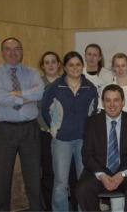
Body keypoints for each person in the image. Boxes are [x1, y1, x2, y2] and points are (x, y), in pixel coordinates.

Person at [0, 37, 44, 211]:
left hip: (30, 129)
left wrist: (14, 93)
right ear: (2, 52)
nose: (13, 53)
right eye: (8, 49)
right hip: (3, 129)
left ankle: (37, 209)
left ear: (22, 51)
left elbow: (40, 93)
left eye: (17, 49)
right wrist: (26, 97)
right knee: (1, 176)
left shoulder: (32, 72)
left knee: (34, 176)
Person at [42, 51, 98, 211]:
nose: (75, 68)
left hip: (83, 141)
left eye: (78, 64)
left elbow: (93, 113)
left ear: (83, 66)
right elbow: (46, 111)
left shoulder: (90, 87)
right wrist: (56, 129)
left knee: (83, 181)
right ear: (65, 67)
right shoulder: (54, 87)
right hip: (61, 141)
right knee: (60, 182)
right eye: (71, 65)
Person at [76, 84, 127, 211]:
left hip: (126, 171)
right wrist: (102, 175)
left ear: (123, 102)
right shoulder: (91, 123)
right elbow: (87, 154)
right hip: (100, 170)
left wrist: (121, 174)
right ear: (102, 103)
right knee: (82, 189)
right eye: (108, 100)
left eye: (116, 100)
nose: (112, 105)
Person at [37, 51, 62, 211]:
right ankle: (48, 207)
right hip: (44, 133)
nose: (51, 65)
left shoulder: (66, 81)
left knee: (63, 174)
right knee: (47, 173)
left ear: (59, 64)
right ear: (42, 65)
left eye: (53, 61)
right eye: (47, 62)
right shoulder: (36, 83)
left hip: (63, 135)